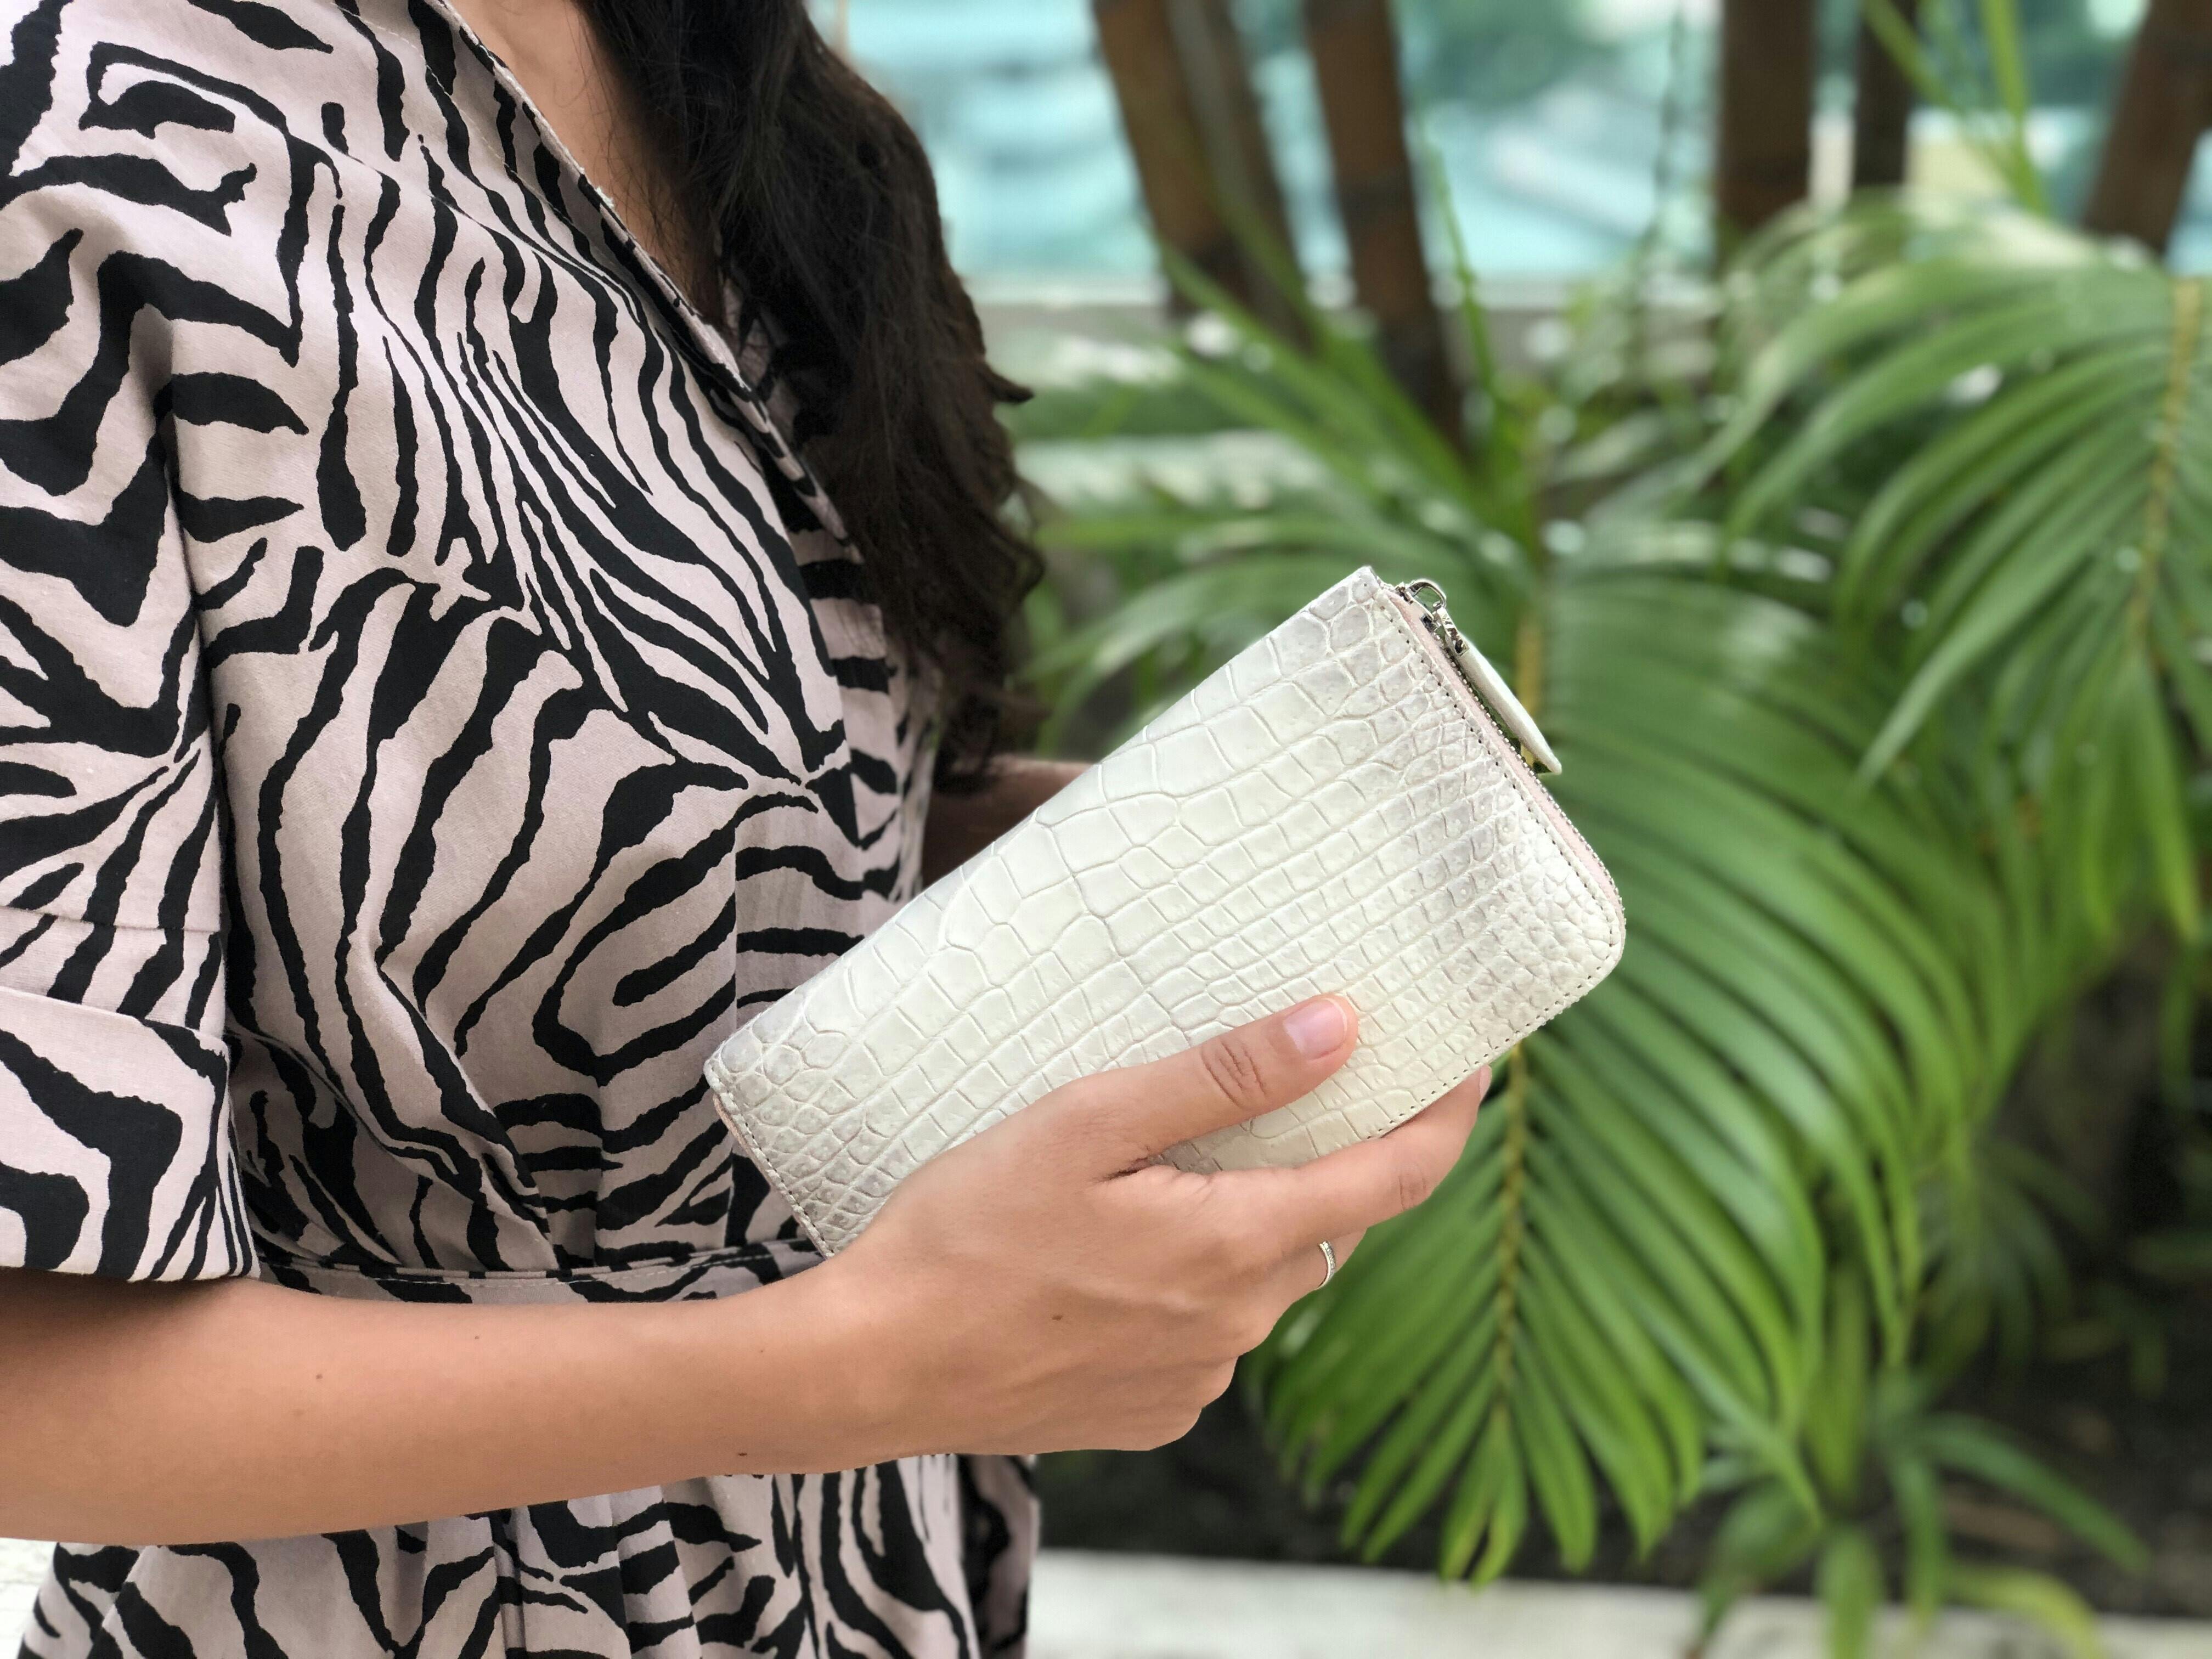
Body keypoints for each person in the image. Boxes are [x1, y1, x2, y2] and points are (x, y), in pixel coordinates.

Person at [0, 1, 1491, 1654]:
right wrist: (870, 1362)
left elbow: (756, 833)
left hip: (871, 1577)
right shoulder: (70, 160)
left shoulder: (739, 89)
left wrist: (1213, 867)